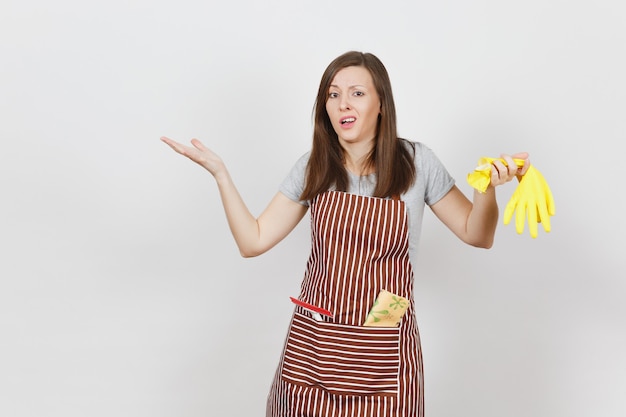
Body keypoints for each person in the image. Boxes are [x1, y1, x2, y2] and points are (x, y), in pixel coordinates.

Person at [161, 51, 529, 417]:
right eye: (333, 94)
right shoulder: (314, 167)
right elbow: (252, 241)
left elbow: (477, 234)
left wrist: (487, 191)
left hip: (383, 344)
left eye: (357, 93)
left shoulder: (417, 163)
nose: (342, 104)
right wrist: (221, 175)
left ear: (381, 103)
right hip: (314, 350)